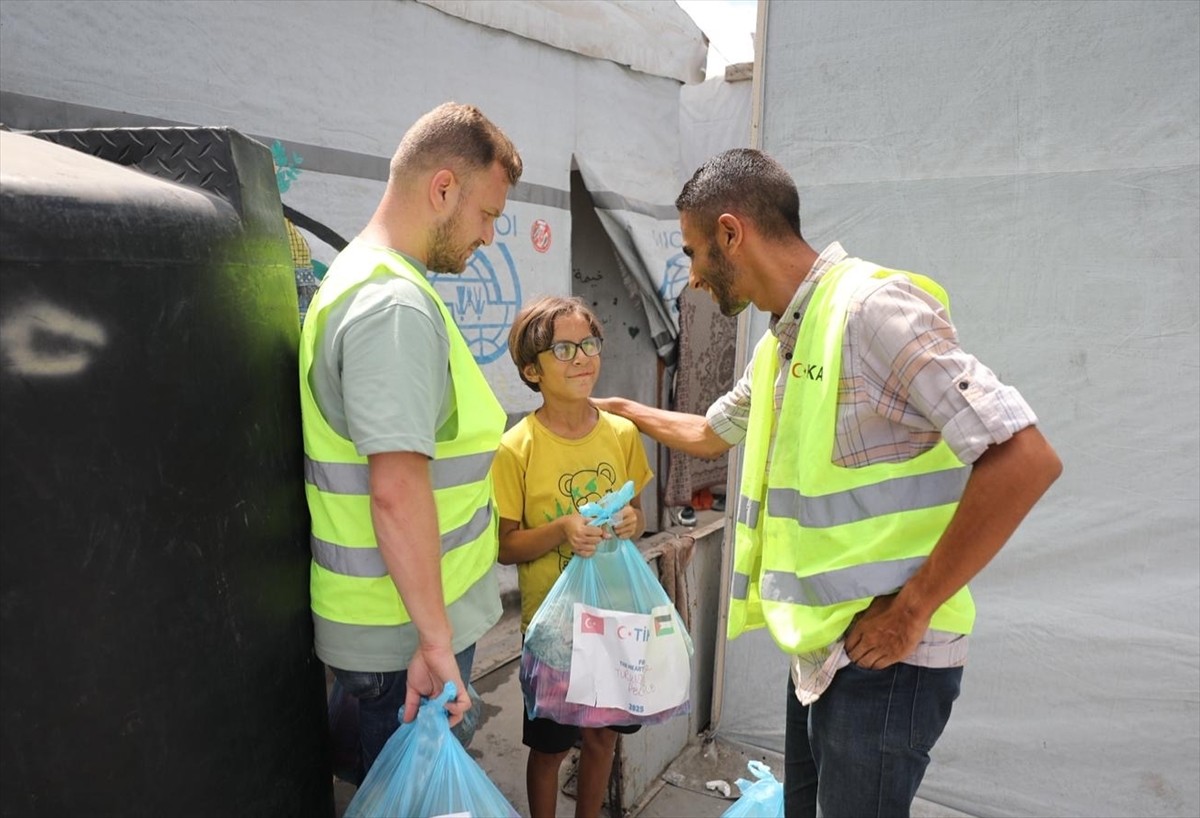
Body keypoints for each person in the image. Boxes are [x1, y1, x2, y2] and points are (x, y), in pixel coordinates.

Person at [592, 148, 1063, 818]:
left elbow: (1026, 457)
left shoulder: (872, 310)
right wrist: (622, 411)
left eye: (695, 252)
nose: (693, 277)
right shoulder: (780, 342)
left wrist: (910, 611)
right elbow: (710, 431)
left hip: (888, 659)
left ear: (733, 233)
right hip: (825, 651)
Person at [298, 102, 523, 783]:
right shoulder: (392, 305)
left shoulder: (370, 284)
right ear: (443, 189)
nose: (488, 238)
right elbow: (396, 492)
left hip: (400, 630)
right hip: (406, 643)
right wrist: (434, 641)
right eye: (486, 215)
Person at [491, 296, 653, 818]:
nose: (582, 356)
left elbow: (638, 515)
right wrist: (561, 529)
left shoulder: (622, 434)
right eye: (564, 348)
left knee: (602, 737)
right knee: (552, 747)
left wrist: (631, 522)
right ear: (531, 370)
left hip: (613, 618)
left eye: (589, 344)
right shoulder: (518, 447)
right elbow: (505, 545)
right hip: (553, 630)